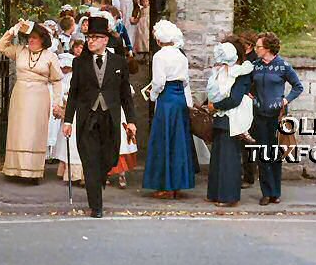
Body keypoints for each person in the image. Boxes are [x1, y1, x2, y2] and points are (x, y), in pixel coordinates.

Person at [63, 16, 136, 218]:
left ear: (105, 40)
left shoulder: (119, 62)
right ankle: (96, 205)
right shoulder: (80, 63)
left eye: (95, 37)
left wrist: (131, 121)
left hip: (109, 118)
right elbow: (74, 93)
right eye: (88, 37)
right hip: (87, 118)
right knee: (90, 161)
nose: (90, 41)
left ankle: (100, 176)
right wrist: (68, 121)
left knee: (109, 158)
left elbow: (125, 96)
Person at [0, 19, 63, 182]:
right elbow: (0, 47)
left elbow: (57, 81)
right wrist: (13, 31)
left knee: (34, 132)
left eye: (35, 38)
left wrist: (57, 103)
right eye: (30, 37)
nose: (31, 40)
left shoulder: (50, 56)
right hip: (20, 95)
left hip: (39, 97)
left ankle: (32, 171)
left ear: (43, 40)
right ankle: (14, 169)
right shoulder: (20, 51)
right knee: (18, 131)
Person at [142, 20, 195, 199]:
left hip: (166, 100)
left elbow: (158, 82)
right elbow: (186, 80)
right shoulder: (181, 55)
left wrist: (153, 95)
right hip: (179, 97)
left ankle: (165, 185)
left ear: (158, 39)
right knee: (178, 141)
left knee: (164, 140)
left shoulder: (159, 56)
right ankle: (178, 183)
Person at [252, 32, 304, 205]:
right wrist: (251, 96)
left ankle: (276, 192)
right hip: (259, 115)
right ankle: (266, 192)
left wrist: (286, 99)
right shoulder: (255, 66)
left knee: (275, 153)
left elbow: (298, 86)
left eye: (258, 46)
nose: (255, 49)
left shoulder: (283, 66)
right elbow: (246, 84)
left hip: (277, 117)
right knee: (262, 154)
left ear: (267, 48)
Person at [206, 40, 253, 207]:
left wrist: (215, 106)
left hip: (231, 119)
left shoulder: (241, 73)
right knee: (218, 158)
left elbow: (234, 99)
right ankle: (215, 193)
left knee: (228, 159)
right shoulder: (222, 72)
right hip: (220, 118)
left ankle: (228, 196)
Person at [54, 53, 85, 186]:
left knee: (78, 145)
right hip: (71, 113)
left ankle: (81, 174)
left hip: (82, 112)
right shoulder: (64, 80)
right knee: (70, 144)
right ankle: (71, 173)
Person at [237, 30, 258, 188]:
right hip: (243, 102)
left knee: (248, 141)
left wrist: (251, 93)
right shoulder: (245, 59)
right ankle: (246, 174)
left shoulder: (253, 61)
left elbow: (255, 81)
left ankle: (249, 176)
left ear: (248, 45)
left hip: (249, 104)